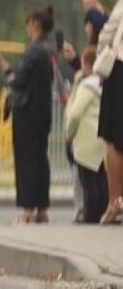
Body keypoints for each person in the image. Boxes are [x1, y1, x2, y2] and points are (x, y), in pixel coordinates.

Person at [0, 5, 56, 224]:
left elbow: (18, 80)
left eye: (28, 24)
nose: (26, 28)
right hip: (43, 113)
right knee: (40, 159)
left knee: (26, 160)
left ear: (35, 24)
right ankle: (41, 209)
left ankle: (28, 209)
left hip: (27, 114)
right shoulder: (48, 51)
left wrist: (3, 66)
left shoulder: (32, 51)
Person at [65, 46, 108, 223]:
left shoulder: (87, 86)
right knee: (102, 183)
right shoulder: (105, 85)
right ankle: (102, 217)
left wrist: (69, 135)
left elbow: (74, 113)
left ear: (88, 64)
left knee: (89, 186)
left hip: (86, 142)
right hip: (102, 140)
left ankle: (90, 220)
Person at [95, 0, 123, 223]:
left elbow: (108, 32)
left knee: (115, 138)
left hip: (120, 70)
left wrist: (102, 55)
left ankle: (116, 201)